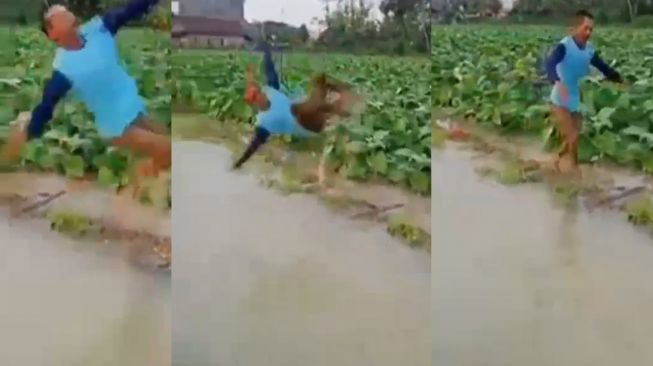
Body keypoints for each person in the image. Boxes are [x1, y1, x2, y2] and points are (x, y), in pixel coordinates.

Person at [2, 1, 170, 195]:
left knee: (165, 151)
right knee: (168, 148)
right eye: (57, 15)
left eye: (64, 11)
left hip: (135, 110)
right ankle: (134, 193)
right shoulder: (64, 68)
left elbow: (130, 10)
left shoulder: (98, 29)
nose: (65, 12)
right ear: (52, 33)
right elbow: (46, 108)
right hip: (117, 126)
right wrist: (27, 133)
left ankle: (134, 194)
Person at [233, 42, 357, 169]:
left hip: (308, 110)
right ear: (255, 104)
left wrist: (267, 53)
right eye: (257, 97)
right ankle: (341, 114)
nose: (262, 96)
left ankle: (348, 106)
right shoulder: (264, 123)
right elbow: (253, 146)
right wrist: (240, 163)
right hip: (308, 127)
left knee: (316, 94)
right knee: (305, 108)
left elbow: (270, 72)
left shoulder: (271, 91)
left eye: (259, 93)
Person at [545, 9, 624, 174]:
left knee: (573, 139)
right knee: (572, 136)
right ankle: (575, 173)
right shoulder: (564, 46)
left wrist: (620, 80)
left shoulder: (589, 50)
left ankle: (555, 161)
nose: (588, 32)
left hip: (576, 100)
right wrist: (558, 82)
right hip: (560, 99)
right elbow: (550, 64)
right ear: (575, 28)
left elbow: (603, 67)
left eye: (591, 29)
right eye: (585, 28)